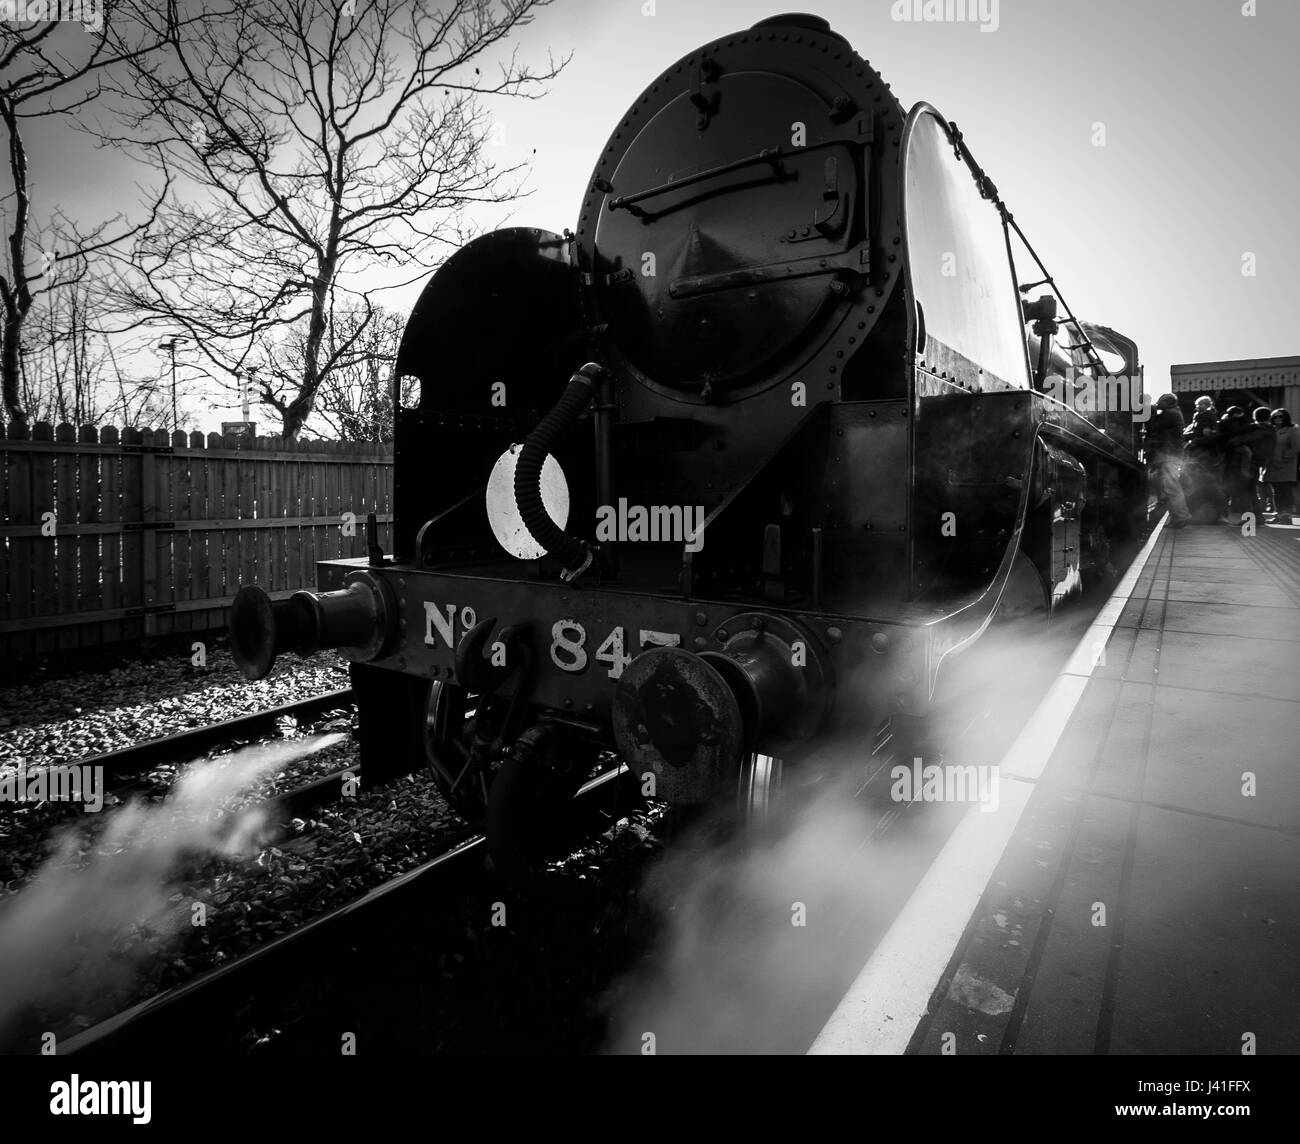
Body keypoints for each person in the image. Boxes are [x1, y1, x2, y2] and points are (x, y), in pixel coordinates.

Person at [1145, 393, 1190, 527]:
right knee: (1168, 486)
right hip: (1170, 454)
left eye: (1161, 401)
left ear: (1168, 402)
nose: (1158, 403)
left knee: (1171, 486)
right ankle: (1178, 517)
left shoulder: (1170, 414)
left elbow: (1153, 426)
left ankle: (1181, 516)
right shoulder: (1173, 412)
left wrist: (1150, 411)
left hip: (1169, 455)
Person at [1181, 395, 1224, 522]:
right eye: (1197, 404)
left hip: (1203, 456)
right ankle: (1207, 515)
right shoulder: (1200, 416)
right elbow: (1198, 432)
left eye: (1201, 404)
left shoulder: (1207, 417)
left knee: (1201, 484)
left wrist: (1193, 440)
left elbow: (1205, 435)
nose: (1198, 406)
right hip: (1199, 454)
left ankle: (1207, 515)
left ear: (1207, 405)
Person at [1263, 409, 1300, 524]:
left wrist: (1285, 458)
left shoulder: (1293, 430)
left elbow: (1296, 447)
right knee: (1276, 491)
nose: (1278, 419)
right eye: (1275, 417)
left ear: (1286, 417)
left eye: (1280, 416)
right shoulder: (1272, 430)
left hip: (1286, 467)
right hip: (1272, 466)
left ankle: (1287, 516)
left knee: (1286, 491)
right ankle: (1279, 515)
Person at [1216, 406, 1252, 522]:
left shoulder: (1224, 425)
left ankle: (1222, 515)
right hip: (1238, 463)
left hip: (1230, 462)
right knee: (1241, 492)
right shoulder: (1246, 427)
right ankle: (1248, 518)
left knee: (1225, 490)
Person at [1241, 408, 1277, 518]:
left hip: (1251, 461)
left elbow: (1245, 441)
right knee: (1257, 489)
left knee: (1248, 490)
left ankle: (1253, 516)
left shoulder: (1254, 429)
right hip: (1264, 462)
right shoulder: (1272, 430)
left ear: (1254, 417)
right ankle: (1258, 515)